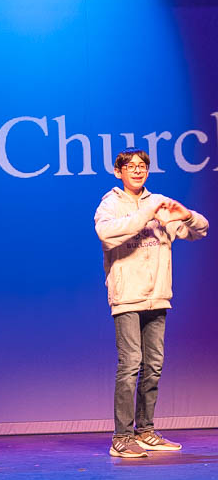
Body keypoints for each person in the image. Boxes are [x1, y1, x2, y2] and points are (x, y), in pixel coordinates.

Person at [94, 147, 208, 458]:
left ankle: (145, 431)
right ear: (119, 172)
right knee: (130, 364)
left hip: (157, 297)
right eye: (129, 166)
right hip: (127, 297)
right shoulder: (111, 204)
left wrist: (187, 215)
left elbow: (199, 230)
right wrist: (148, 213)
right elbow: (106, 234)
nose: (137, 169)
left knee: (153, 366)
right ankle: (121, 437)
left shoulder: (158, 202)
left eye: (142, 165)